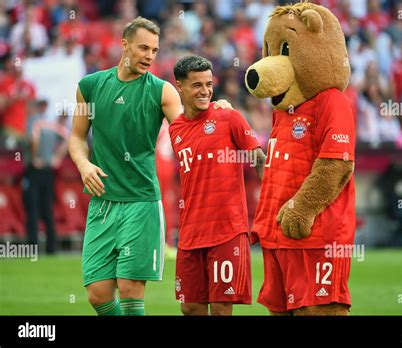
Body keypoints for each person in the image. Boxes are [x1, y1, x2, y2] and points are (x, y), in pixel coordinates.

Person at [68, 17, 230, 316]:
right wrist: (83, 164)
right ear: (124, 44)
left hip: (141, 201)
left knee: (130, 289)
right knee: (97, 294)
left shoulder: (162, 91)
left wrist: (216, 113)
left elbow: (188, 127)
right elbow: (76, 138)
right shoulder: (89, 86)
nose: (149, 56)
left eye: (154, 50)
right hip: (102, 202)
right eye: (143, 48)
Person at [169, 55, 266, 315]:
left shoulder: (228, 117)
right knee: (190, 307)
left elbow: (258, 159)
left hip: (227, 229)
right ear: (179, 86)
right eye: (197, 85)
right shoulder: (175, 128)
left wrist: (272, 202)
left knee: (222, 308)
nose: (205, 91)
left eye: (208, 84)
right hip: (191, 231)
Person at [23, 100, 69, 254]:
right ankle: (51, 248)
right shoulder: (51, 124)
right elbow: (68, 138)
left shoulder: (34, 121)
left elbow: (34, 140)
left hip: (36, 169)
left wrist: (35, 157)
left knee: (33, 208)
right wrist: (56, 157)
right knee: (48, 209)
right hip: (49, 170)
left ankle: (32, 247)